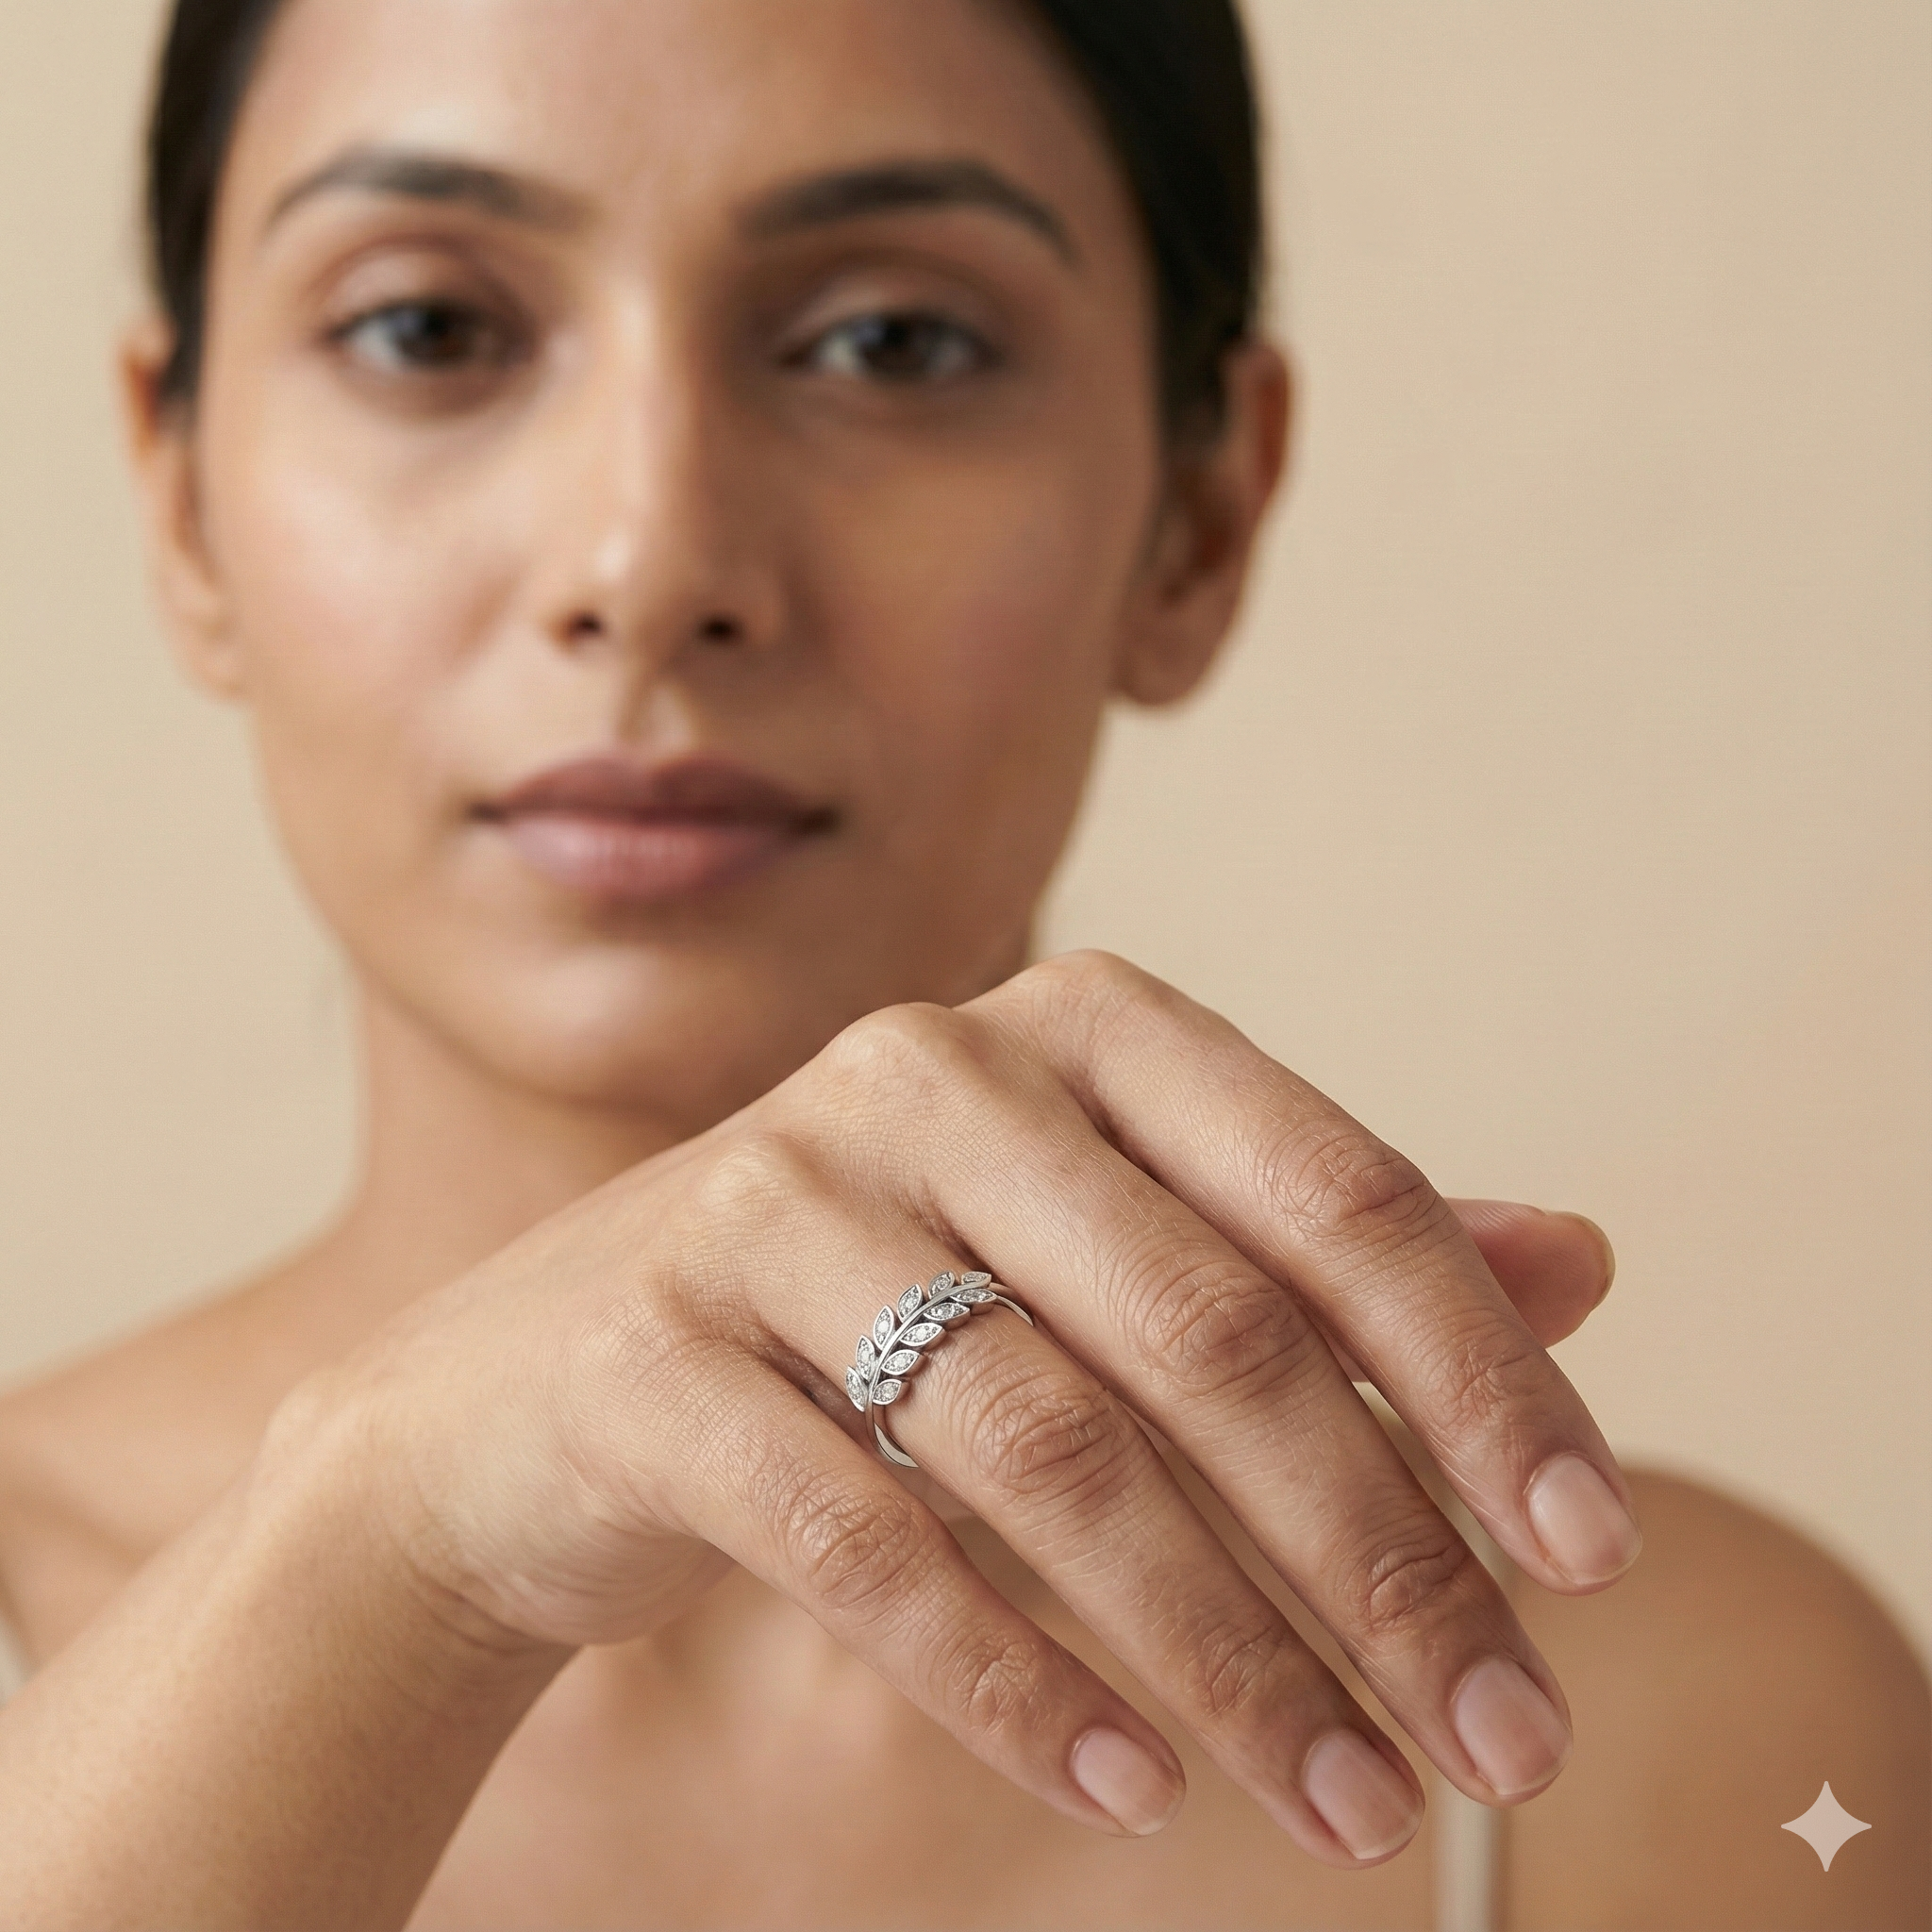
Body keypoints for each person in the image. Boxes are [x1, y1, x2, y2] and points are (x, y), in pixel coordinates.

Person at [0, 1, 1924, 1926]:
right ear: (178, 495)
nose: (650, 552)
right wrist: (389, 1546)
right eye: (429, 328)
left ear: (1199, 514)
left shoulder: (1672, 1729)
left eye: (891, 342)